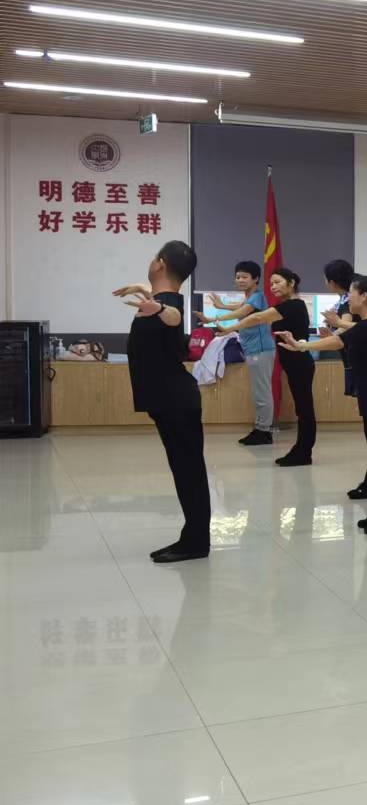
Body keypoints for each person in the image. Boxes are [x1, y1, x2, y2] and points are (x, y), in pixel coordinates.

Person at [280, 275, 367, 533]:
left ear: (365, 296)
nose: (349, 298)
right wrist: (332, 330)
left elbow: (339, 341)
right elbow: (346, 342)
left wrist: (301, 345)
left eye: (352, 293)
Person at [114, 240, 210, 563]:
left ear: (160, 264)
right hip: (171, 401)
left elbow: (173, 317)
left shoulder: (167, 305)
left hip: (176, 402)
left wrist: (158, 310)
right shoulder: (163, 297)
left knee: (189, 472)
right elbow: (165, 304)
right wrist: (142, 290)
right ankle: (191, 537)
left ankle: (196, 543)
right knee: (184, 471)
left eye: (154, 257)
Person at [212, 266, 317, 466]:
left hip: (300, 363)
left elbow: (256, 317)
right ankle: (302, 450)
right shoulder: (286, 305)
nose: (273, 287)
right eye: (271, 283)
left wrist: (228, 328)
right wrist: (225, 312)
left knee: (304, 410)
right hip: (293, 363)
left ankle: (303, 452)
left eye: (277, 282)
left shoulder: (293, 305)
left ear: (291, 283)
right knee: (302, 409)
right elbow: (251, 312)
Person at [198, 259, 276, 446]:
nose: (240, 280)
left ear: (256, 279)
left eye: (244, 277)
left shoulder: (257, 296)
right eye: (238, 277)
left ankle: (264, 431)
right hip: (253, 349)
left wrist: (213, 318)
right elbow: (241, 308)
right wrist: (221, 306)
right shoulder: (250, 297)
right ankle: (261, 429)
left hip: (261, 349)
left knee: (262, 392)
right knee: (258, 392)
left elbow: (242, 312)